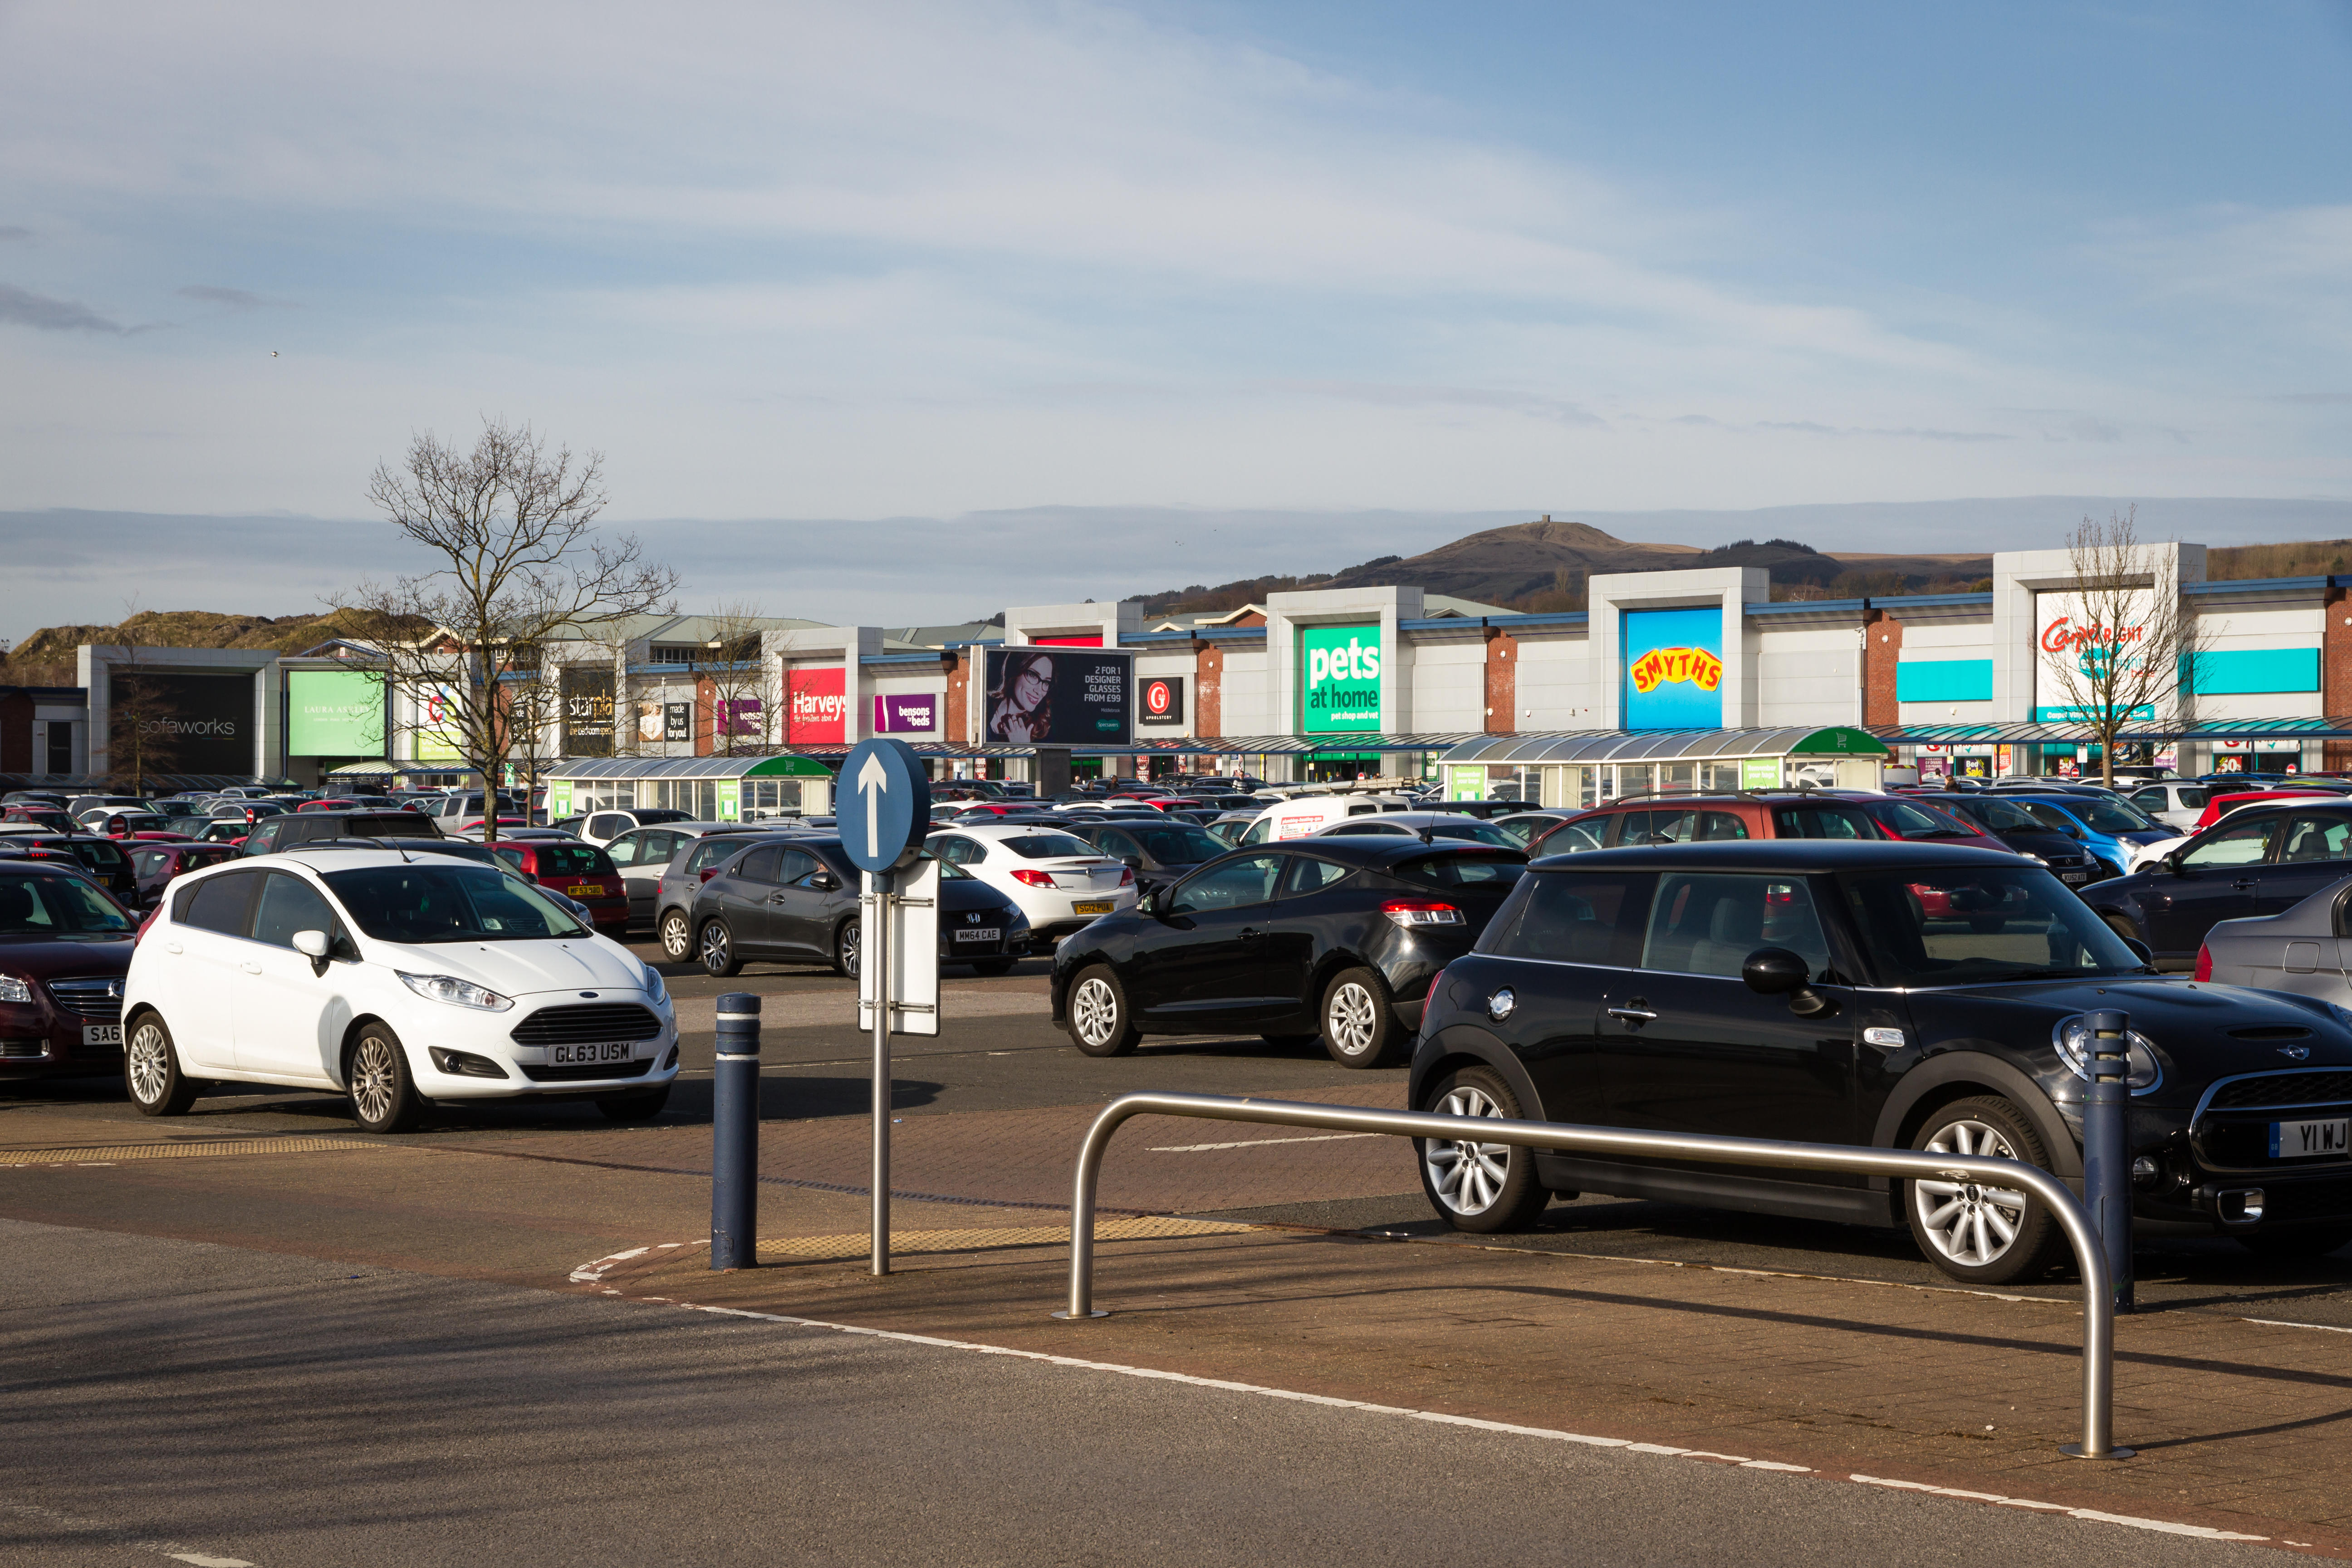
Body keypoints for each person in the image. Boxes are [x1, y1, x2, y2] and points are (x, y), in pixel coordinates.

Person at [988, 652, 1055, 743]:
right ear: (1015, 670)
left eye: (1046, 683)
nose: (1039, 691)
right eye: (1033, 676)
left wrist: (1023, 747)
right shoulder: (984, 704)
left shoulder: (1042, 734)